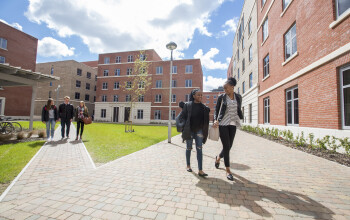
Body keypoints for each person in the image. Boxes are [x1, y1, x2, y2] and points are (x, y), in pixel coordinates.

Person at [213, 77, 243, 181]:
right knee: (226, 146)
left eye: (226, 88)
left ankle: (218, 158)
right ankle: (228, 170)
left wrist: (241, 116)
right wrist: (215, 120)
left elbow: (238, 108)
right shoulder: (222, 97)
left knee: (229, 146)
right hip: (223, 124)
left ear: (232, 87)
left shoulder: (238, 97)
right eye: (224, 88)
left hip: (233, 124)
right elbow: (216, 110)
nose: (224, 90)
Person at [178, 89, 210, 177]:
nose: (200, 96)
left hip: (199, 131)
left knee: (199, 149)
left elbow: (205, 120)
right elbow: (182, 117)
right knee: (188, 148)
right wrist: (184, 126)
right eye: (198, 95)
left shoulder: (203, 107)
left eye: (201, 95)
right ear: (193, 96)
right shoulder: (188, 105)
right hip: (189, 130)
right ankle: (188, 165)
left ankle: (200, 170)